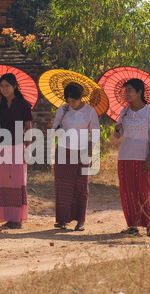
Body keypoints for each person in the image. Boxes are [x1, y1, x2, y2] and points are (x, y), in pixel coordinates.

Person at [114, 78, 150, 237]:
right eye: (126, 91)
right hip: (125, 156)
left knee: (144, 191)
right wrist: (117, 129)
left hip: (142, 157)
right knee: (127, 191)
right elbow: (117, 137)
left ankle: (149, 225)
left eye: (130, 91)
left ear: (139, 92)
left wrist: (149, 158)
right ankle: (132, 225)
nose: (127, 94)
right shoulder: (124, 112)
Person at [51, 83, 99, 231]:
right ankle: (62, 220)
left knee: (81, 186)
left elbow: (95, 134)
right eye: (68, 101)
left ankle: (80, 221)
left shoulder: (90, 112)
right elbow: (53, 129)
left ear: (80, 98)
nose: (71, 104)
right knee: (62, 186)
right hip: (64, 150)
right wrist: (58, 129)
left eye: (74, 101)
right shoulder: (63, 109)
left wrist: (88, 152)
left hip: (82, 152)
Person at [0, 73, 33, 229]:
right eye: (2, 86)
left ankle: (17, 218)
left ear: (15, 86)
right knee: (1, 180)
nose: (4, 89)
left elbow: (28, 128)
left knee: (17, 181)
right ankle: (7, 217)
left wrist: (28, 149)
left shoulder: (24, 105)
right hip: (0, 145)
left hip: (17, 144)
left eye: (7, 85)